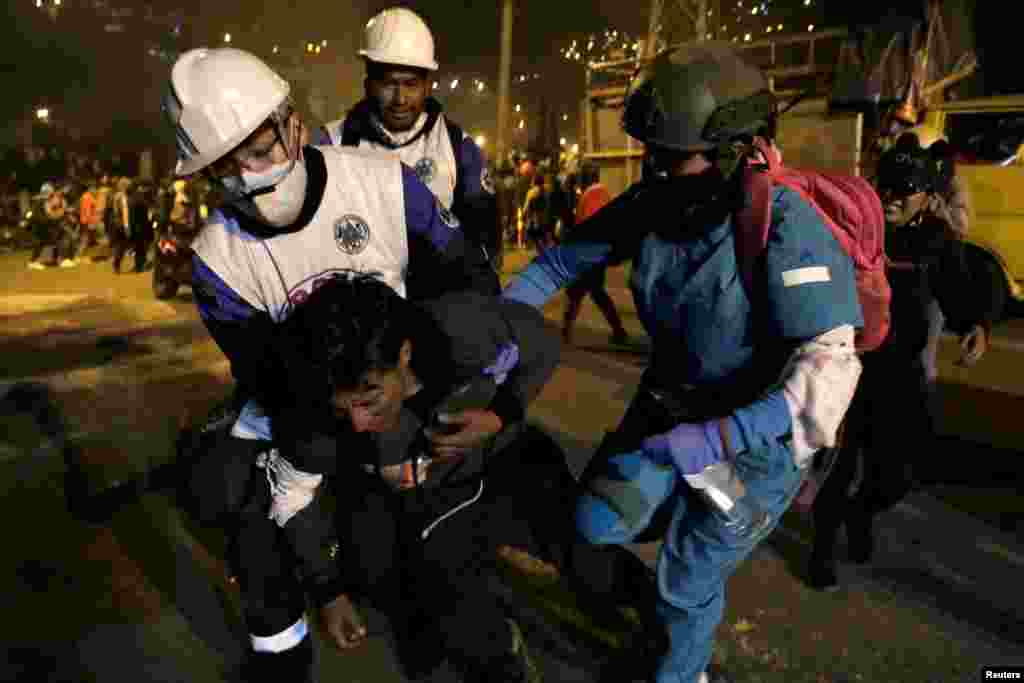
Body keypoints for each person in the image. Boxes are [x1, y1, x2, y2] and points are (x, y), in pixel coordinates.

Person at [502, 44, 864, 683]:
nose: (656, 170)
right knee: (593, 523)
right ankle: (660, 618)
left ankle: (684, 668)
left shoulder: (785, 225)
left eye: (673, 157)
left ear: (733, 151)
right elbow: (559, 263)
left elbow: (827, 377)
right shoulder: (653, 205)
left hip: (752, 448)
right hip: (671, 419)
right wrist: (492, 329)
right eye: (652, 154)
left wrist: (722, 436)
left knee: (689, 574)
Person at [162, 46, 497, 679]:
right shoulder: (216, 260)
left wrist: (412, 399)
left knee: (429, 536)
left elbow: (466, 285)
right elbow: (272, 382)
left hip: (402, 385)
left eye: (259, 152)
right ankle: (283, 651)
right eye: (224, 171)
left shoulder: (381, 184)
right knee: (241, 507)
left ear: (293, 122)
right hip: (312, 408)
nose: (251, 181)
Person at [242, 274, 571, 682]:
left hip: (484, 473)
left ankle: (502, 656)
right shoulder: (310, 414)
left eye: (369, 400)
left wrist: (501, 414)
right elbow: (294, 498)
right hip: (390, 499)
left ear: (404, 354)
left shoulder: (461, 328)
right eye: (343, 411)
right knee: (381, 583)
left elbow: (543, 343)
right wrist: (328, 592)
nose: (359, 424)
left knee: (460, 604)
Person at [807, 131, 1000, 591]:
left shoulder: (938, 240)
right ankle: (821, 552)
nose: (891, 198)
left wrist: (977, 325)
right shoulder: (854, 226)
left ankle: (862, 514)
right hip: (848, 371)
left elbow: (961, 290)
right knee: (837, 470)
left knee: (897, 476)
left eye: (904, 190)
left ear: (927, 196)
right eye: (886, 187)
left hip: (903, 377)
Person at [313, 6, 501, 276]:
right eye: (389, 84)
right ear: (368, 84)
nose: (400, 99)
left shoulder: (458, 148)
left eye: (411, 84)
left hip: (437, 306)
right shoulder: (329, 144)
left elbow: (485, 245)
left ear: (428, 85)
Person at [561, 162, 629, 345]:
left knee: (578, 291)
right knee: (595, 292)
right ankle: (618, 330)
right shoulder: (604, 192)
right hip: (599, 251)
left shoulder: (591, 195)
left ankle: (566, 332)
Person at [27, 182, 62, 269]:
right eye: (50, 192)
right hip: (39, 225)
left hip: (44, 225)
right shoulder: (39, 201)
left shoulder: (44, 200)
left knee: (54, 240)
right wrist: (49, 218)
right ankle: (32, 262)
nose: (51, 193)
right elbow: (37, 215)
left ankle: (54, 260)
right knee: (41, 243)